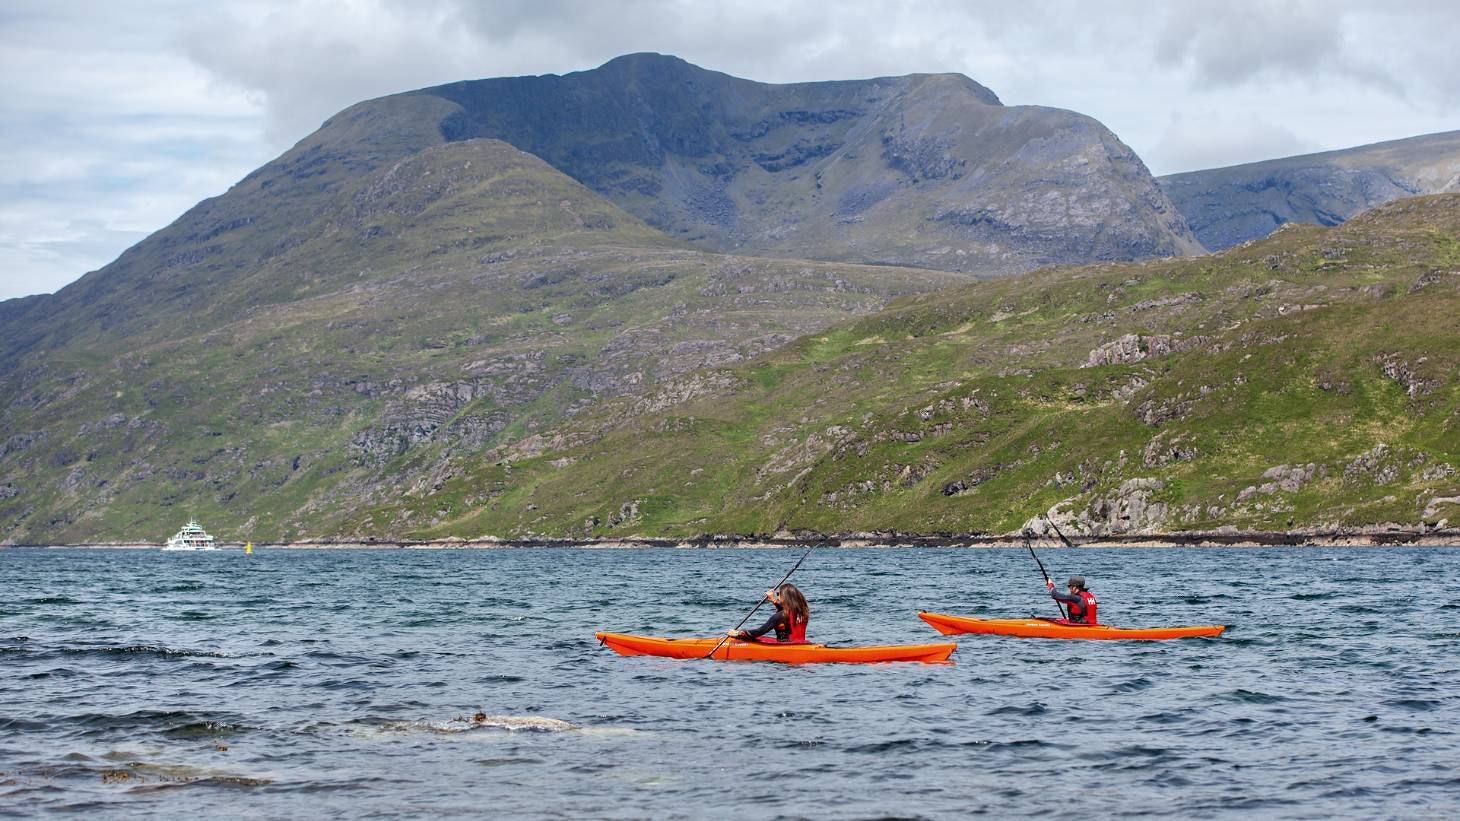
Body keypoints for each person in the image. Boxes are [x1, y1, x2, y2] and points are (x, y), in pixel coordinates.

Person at [727, 583, 810, 643]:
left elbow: (759, 631)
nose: (778, 596)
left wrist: (739, 633)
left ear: (784, 597)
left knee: (753, 637)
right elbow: (787, 614)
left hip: (785, 647)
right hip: (802, 644)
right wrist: (773, 600)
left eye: (778, 594)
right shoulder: (802, 611)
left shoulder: (779, 616)